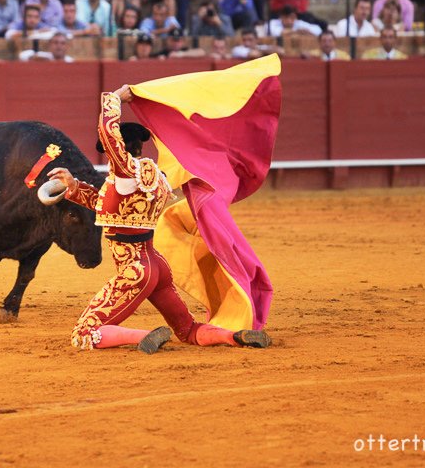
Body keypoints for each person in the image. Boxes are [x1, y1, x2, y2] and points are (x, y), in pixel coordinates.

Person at [48, 85, 271, 352]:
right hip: (157, 266)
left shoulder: (126, 174)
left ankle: (146, 335)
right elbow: (110, 209)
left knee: (84, 334)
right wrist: (73, 187)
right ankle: (233, 336)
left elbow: (108, 134)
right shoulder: (157, 178)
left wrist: (114, 99)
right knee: (187, 329)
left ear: (115, 152)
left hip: (135, 270)